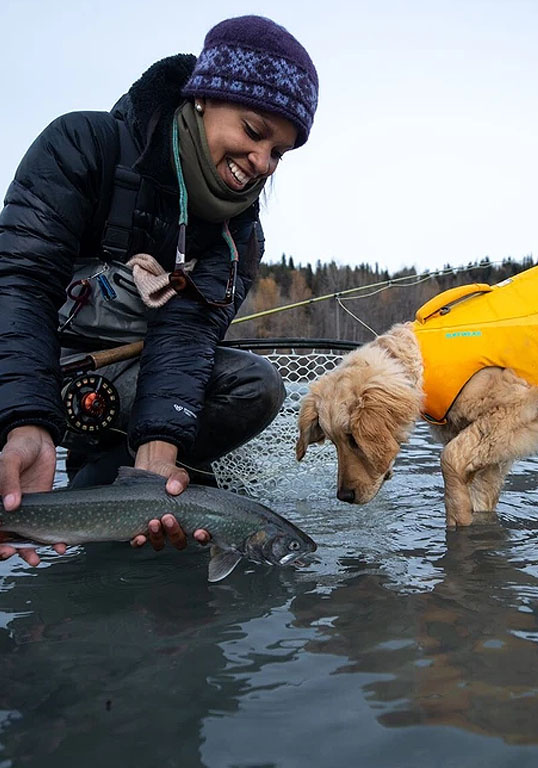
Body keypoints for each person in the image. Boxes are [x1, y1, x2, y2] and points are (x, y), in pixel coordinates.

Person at [0, 15, 318, 564]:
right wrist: (25, 420)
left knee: (255, 385)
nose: (263, 162)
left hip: (122, 384)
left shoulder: (237, 233)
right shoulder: (82, 145)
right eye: (253, 131)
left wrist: (157, 453)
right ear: (202, 99)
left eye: (280, 153)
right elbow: (20, 284)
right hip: (33, 364)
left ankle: (104, 486)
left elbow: (187, 334)